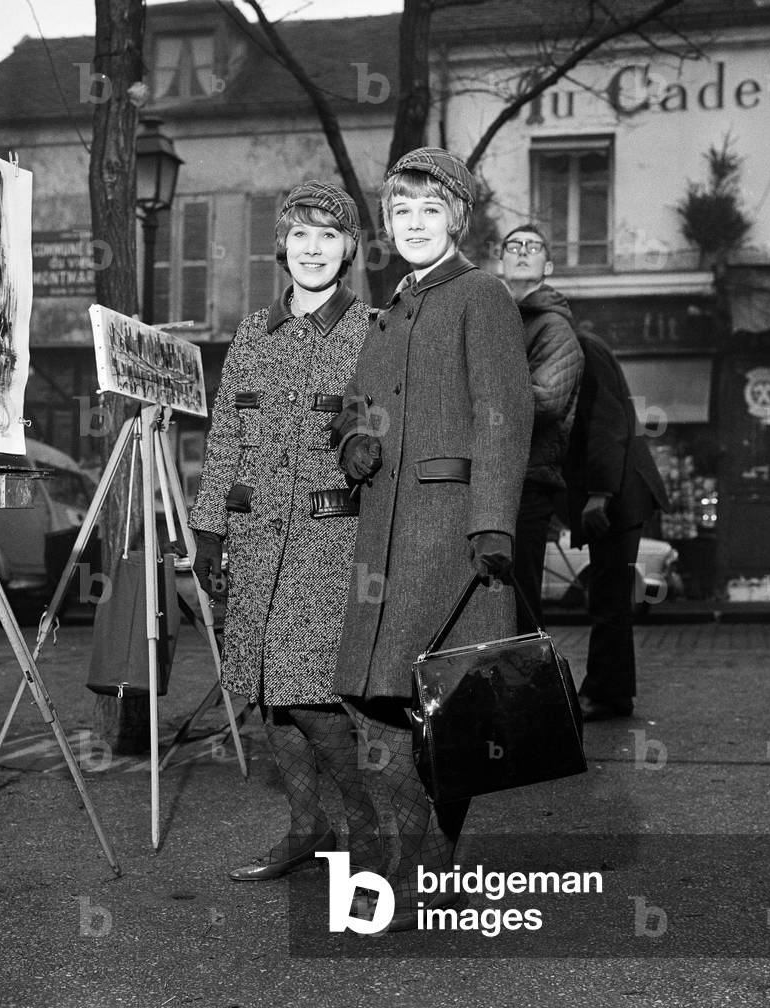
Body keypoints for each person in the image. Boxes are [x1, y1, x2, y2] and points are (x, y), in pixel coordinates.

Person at [332, 148, 532, 932]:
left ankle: (425, 866)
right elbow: (353, 403)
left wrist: (492, 522)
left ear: (457, 217)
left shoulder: (480, 293)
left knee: (439, 705)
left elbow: (503, 414)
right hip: (381, 530)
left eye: (427, 210)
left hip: (448, 533)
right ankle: (403, 852)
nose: (412, 225)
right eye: (399, 213)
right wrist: (351, 438)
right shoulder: (390, 310)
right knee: (375, 697)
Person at [189, 181, 381, 881]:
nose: (312, 248)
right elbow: (224, 441)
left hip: (328, 547)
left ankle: (367, 827)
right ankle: (306, 826)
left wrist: (364, 440)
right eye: (300, 235)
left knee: (311, 695)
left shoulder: (374, 330)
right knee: (267, 692)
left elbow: (382, 427)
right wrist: (209, 530)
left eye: (328, 236)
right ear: (281, 245)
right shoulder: (251, 333)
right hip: (256, 539)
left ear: (350, 249)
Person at [559, 330, 670, 721]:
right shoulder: (580, 347)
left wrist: (600, 493)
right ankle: (612, 694)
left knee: (608, 600)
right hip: (617, 491)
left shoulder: (583, 349)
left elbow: (608, 424)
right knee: (609, 598)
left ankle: (607, 695)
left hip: (618, 493)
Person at [499, 224, 583, 634]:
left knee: (521, 595)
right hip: (500, 477)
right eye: (513, 246)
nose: (521, 251)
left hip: (529, 480)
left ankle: (532, 689)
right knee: (497, 594)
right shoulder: (499, 318)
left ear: (547, 265)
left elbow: (546, 402)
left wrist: (481, 393)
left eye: (532, 247)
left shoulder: (553, 326)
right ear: (501, 260)